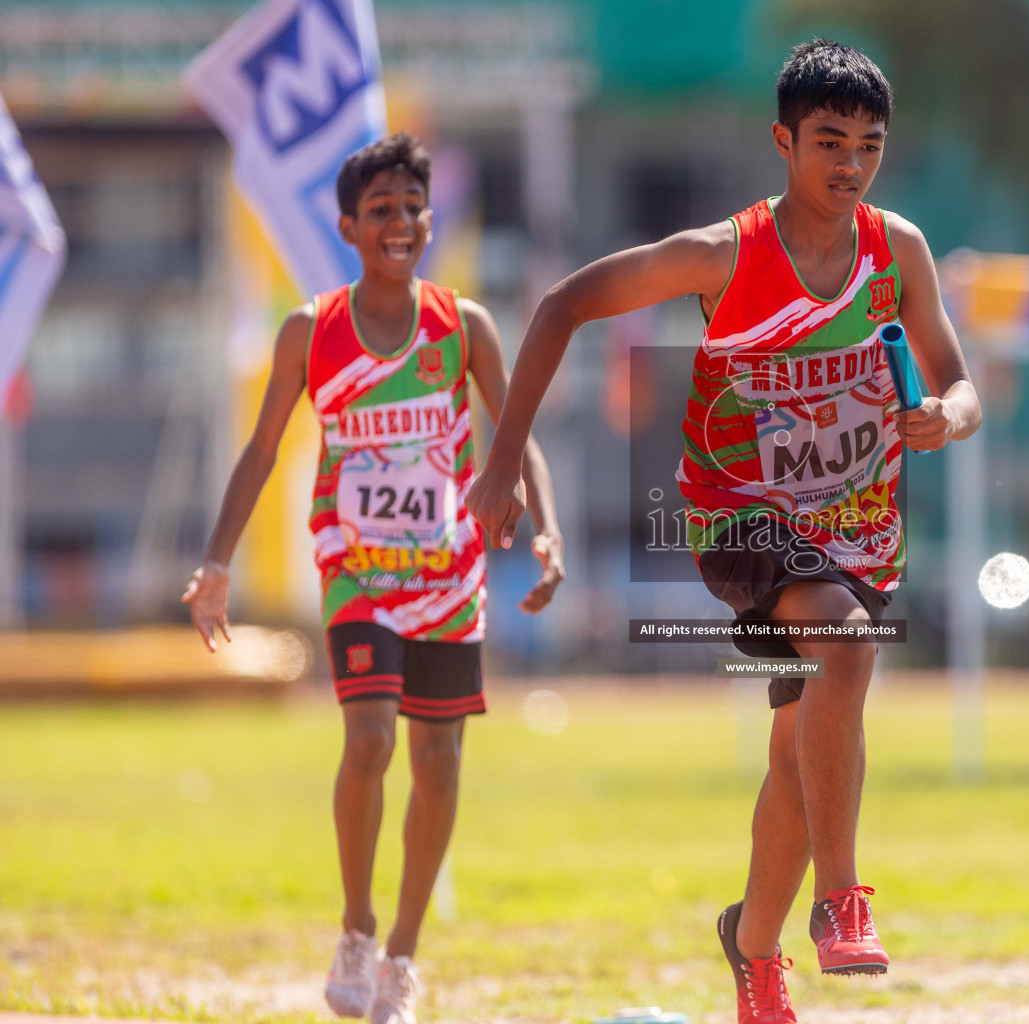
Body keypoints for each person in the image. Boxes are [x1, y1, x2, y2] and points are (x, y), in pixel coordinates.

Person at [464, 40, 981, 1023]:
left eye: (869, 146)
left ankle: (751, 944)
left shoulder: (897, 249)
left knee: (799, 745)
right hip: (739, 516)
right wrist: (501, 465)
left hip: (862, 525)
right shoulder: (723, 254)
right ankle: (840, 900)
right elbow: (563, 304)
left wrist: (942, 417)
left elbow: (958, 385)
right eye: (829, 142)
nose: (850, 165)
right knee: (841, 642)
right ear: (782, 141)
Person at [181, 132, 564, 1024]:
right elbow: (262, 449)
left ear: (431, 221)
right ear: (349, 225)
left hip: (449, 574)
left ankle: (400, 954)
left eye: (413, 209)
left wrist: (546, 533)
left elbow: (515, 439)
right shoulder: (311, 332)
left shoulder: (463, 325)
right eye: (381, 210)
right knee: (370, 743)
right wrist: (216, 563)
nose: (401, 224)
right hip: (356, 568)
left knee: (437, 760)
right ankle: (354, 926)